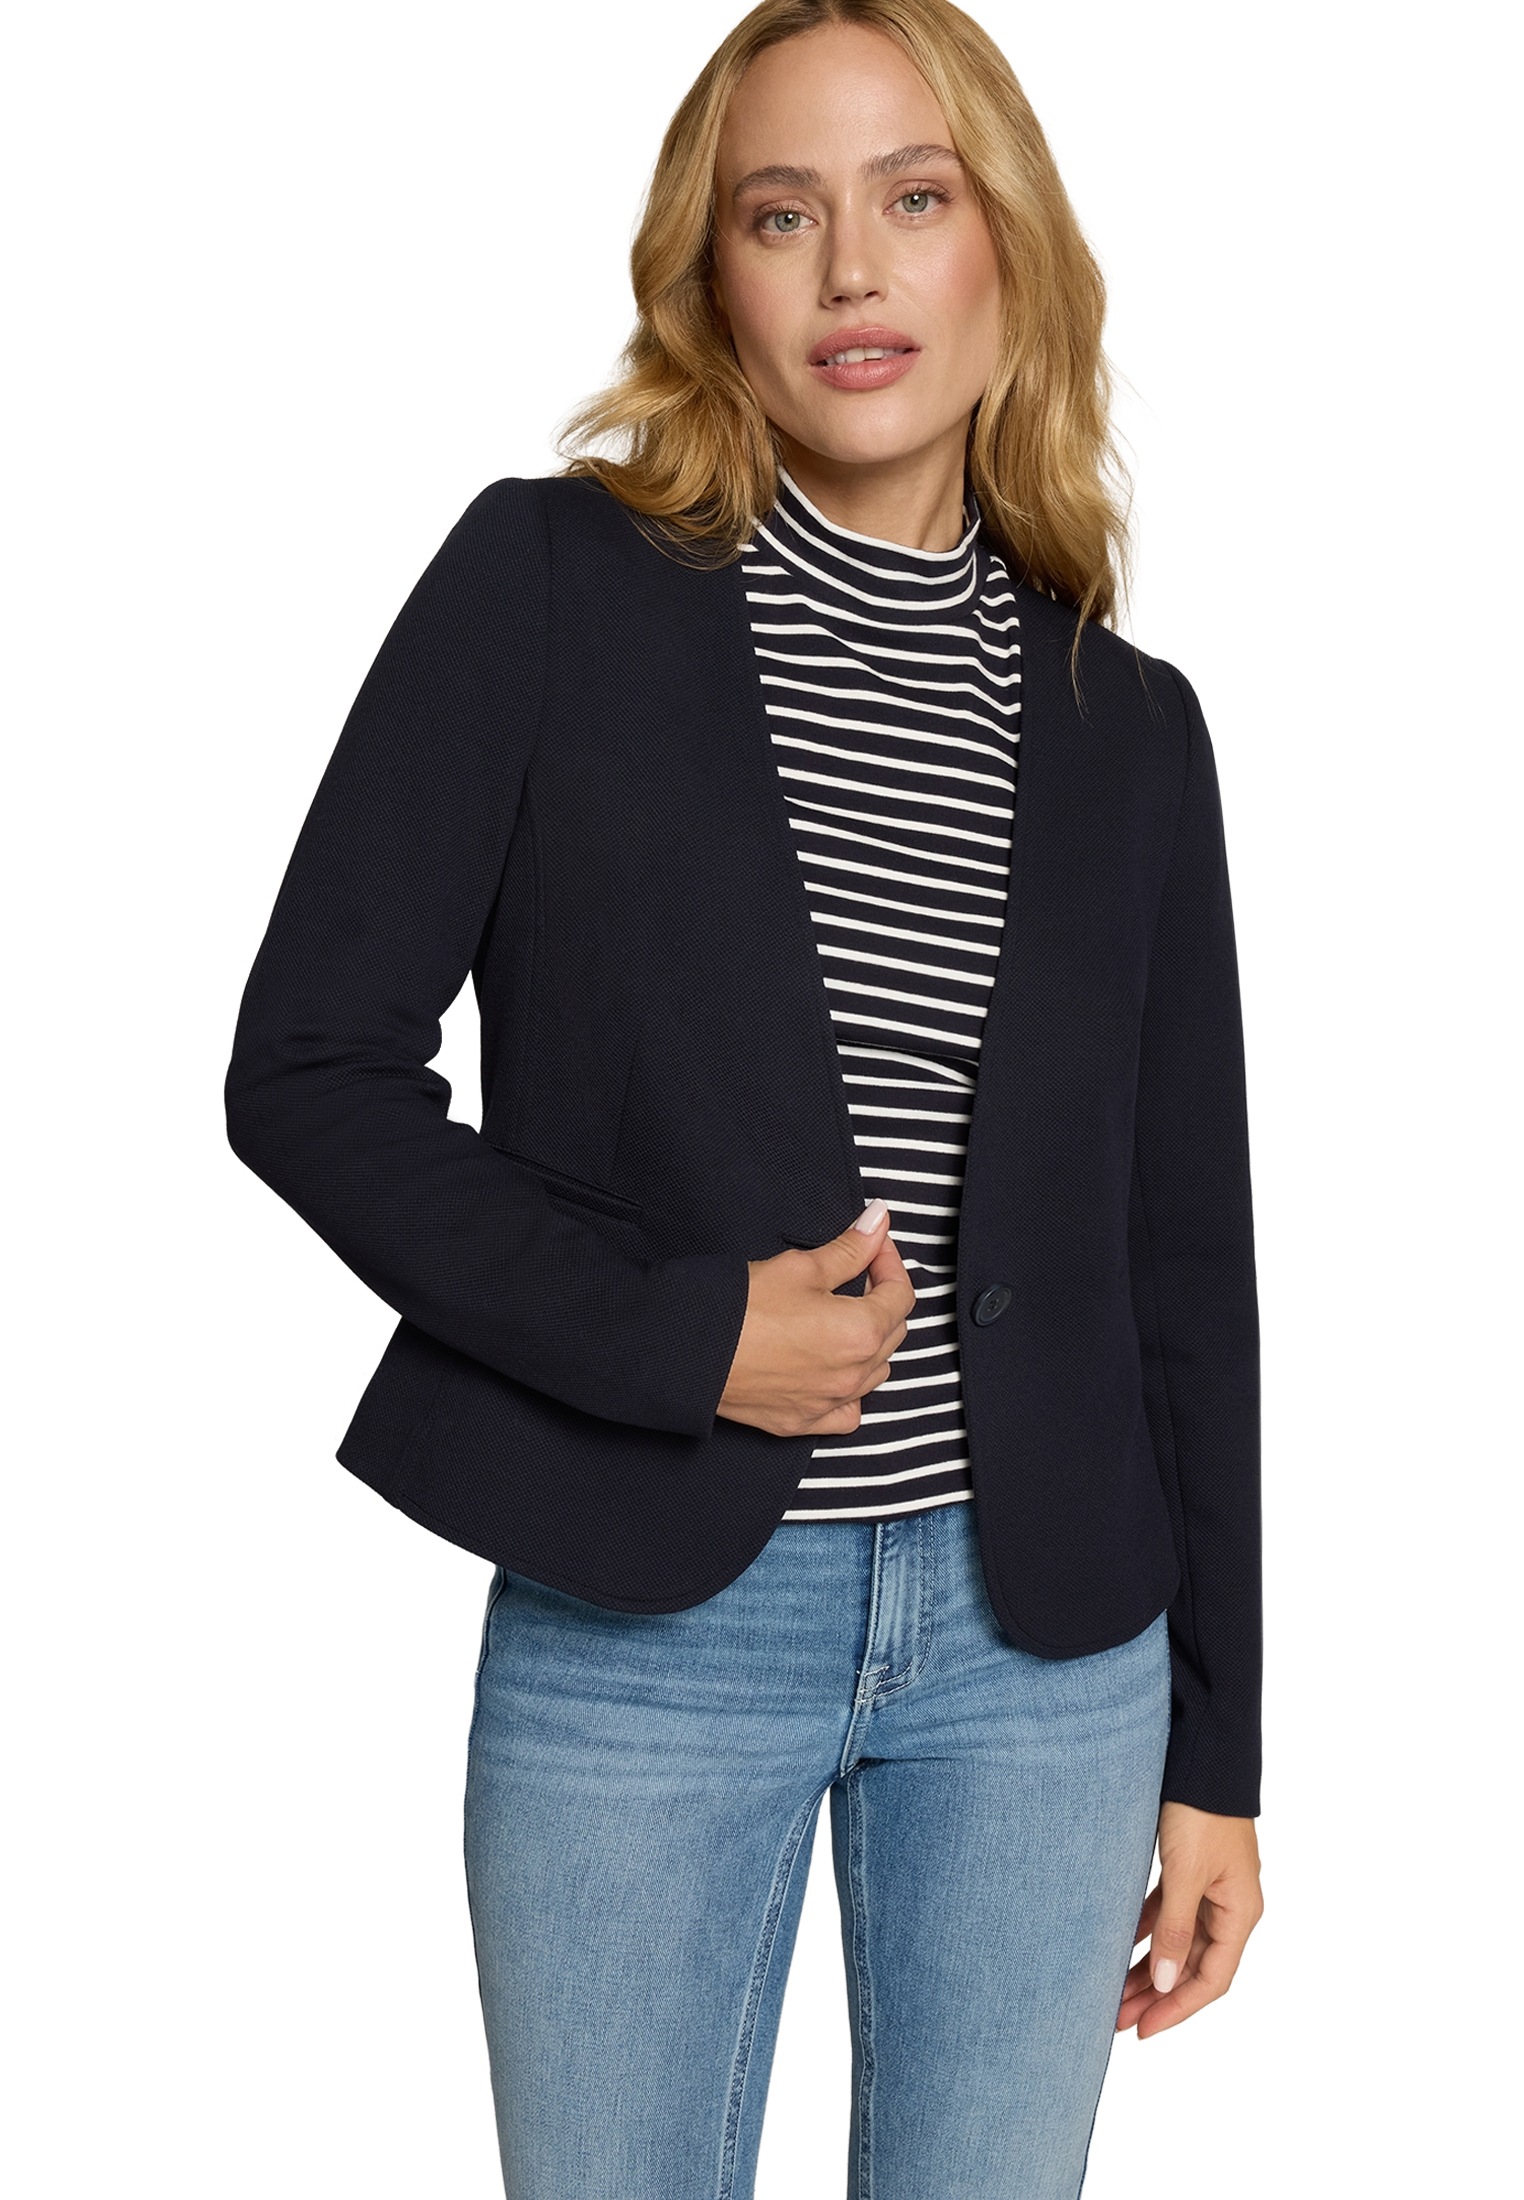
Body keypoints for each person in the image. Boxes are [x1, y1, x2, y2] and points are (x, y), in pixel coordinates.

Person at [224, 2, 1265, 2192]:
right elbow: (310, 1070)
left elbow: (1186, 1262)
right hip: (650, 1626)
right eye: (780, 215)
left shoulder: (1130, 728)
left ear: (1009, 246)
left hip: (1046, 1653)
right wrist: (684, 1335)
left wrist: (1222, 1753)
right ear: (710, 278)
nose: (853, 268)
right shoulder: (546, 586)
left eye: (916, 198)